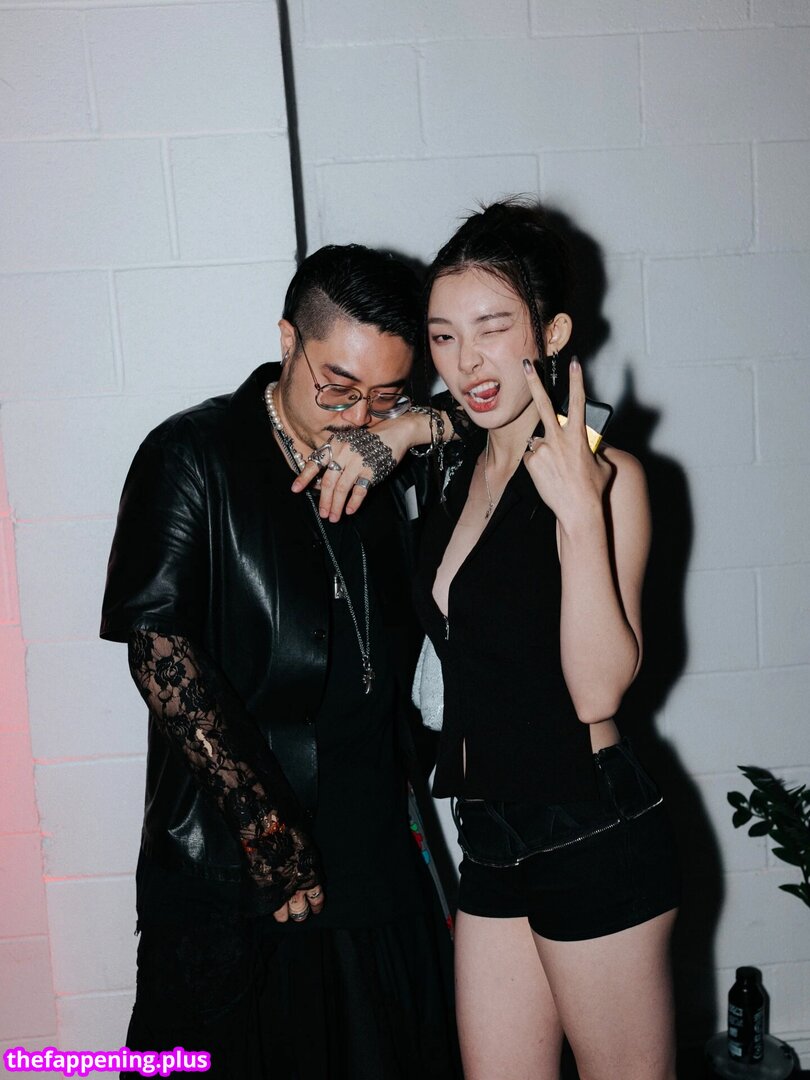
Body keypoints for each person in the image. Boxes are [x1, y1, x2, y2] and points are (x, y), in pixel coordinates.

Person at [100, 244, 461, 1080]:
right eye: (338, 386)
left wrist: (413, 426)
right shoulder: (195, 454)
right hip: (240, 867)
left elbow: (564, 419)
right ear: (289, 339)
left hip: (377, 850)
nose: (356, 414)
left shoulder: (384, 450)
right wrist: (265, 829)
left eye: (386, 394)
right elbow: (159, 648)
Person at [404, 201, 680, 1080]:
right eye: (444, 337)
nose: (467, 361)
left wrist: (579, 519)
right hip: (487, 833)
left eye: (493, 328)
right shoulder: (457, 471)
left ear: (552, 332)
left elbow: (598, 691)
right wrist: (406, 425)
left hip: (588, 825)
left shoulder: (609, 475)